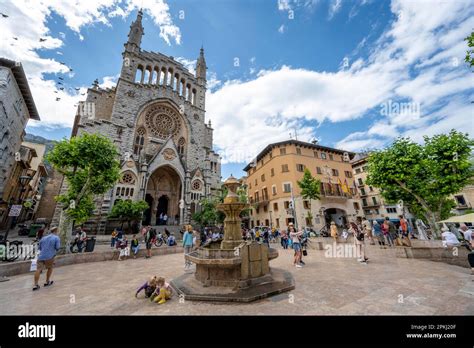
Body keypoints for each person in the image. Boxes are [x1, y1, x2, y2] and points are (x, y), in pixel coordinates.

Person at [33, 226, 60, 291]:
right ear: (56, 231)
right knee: (50, 268)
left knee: (38, 269)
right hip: (50, 256)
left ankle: (35, 285)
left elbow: (40, 248)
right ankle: (47, 281)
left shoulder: (43, 238)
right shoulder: (56, 238)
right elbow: (57, 247)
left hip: (41, 256)